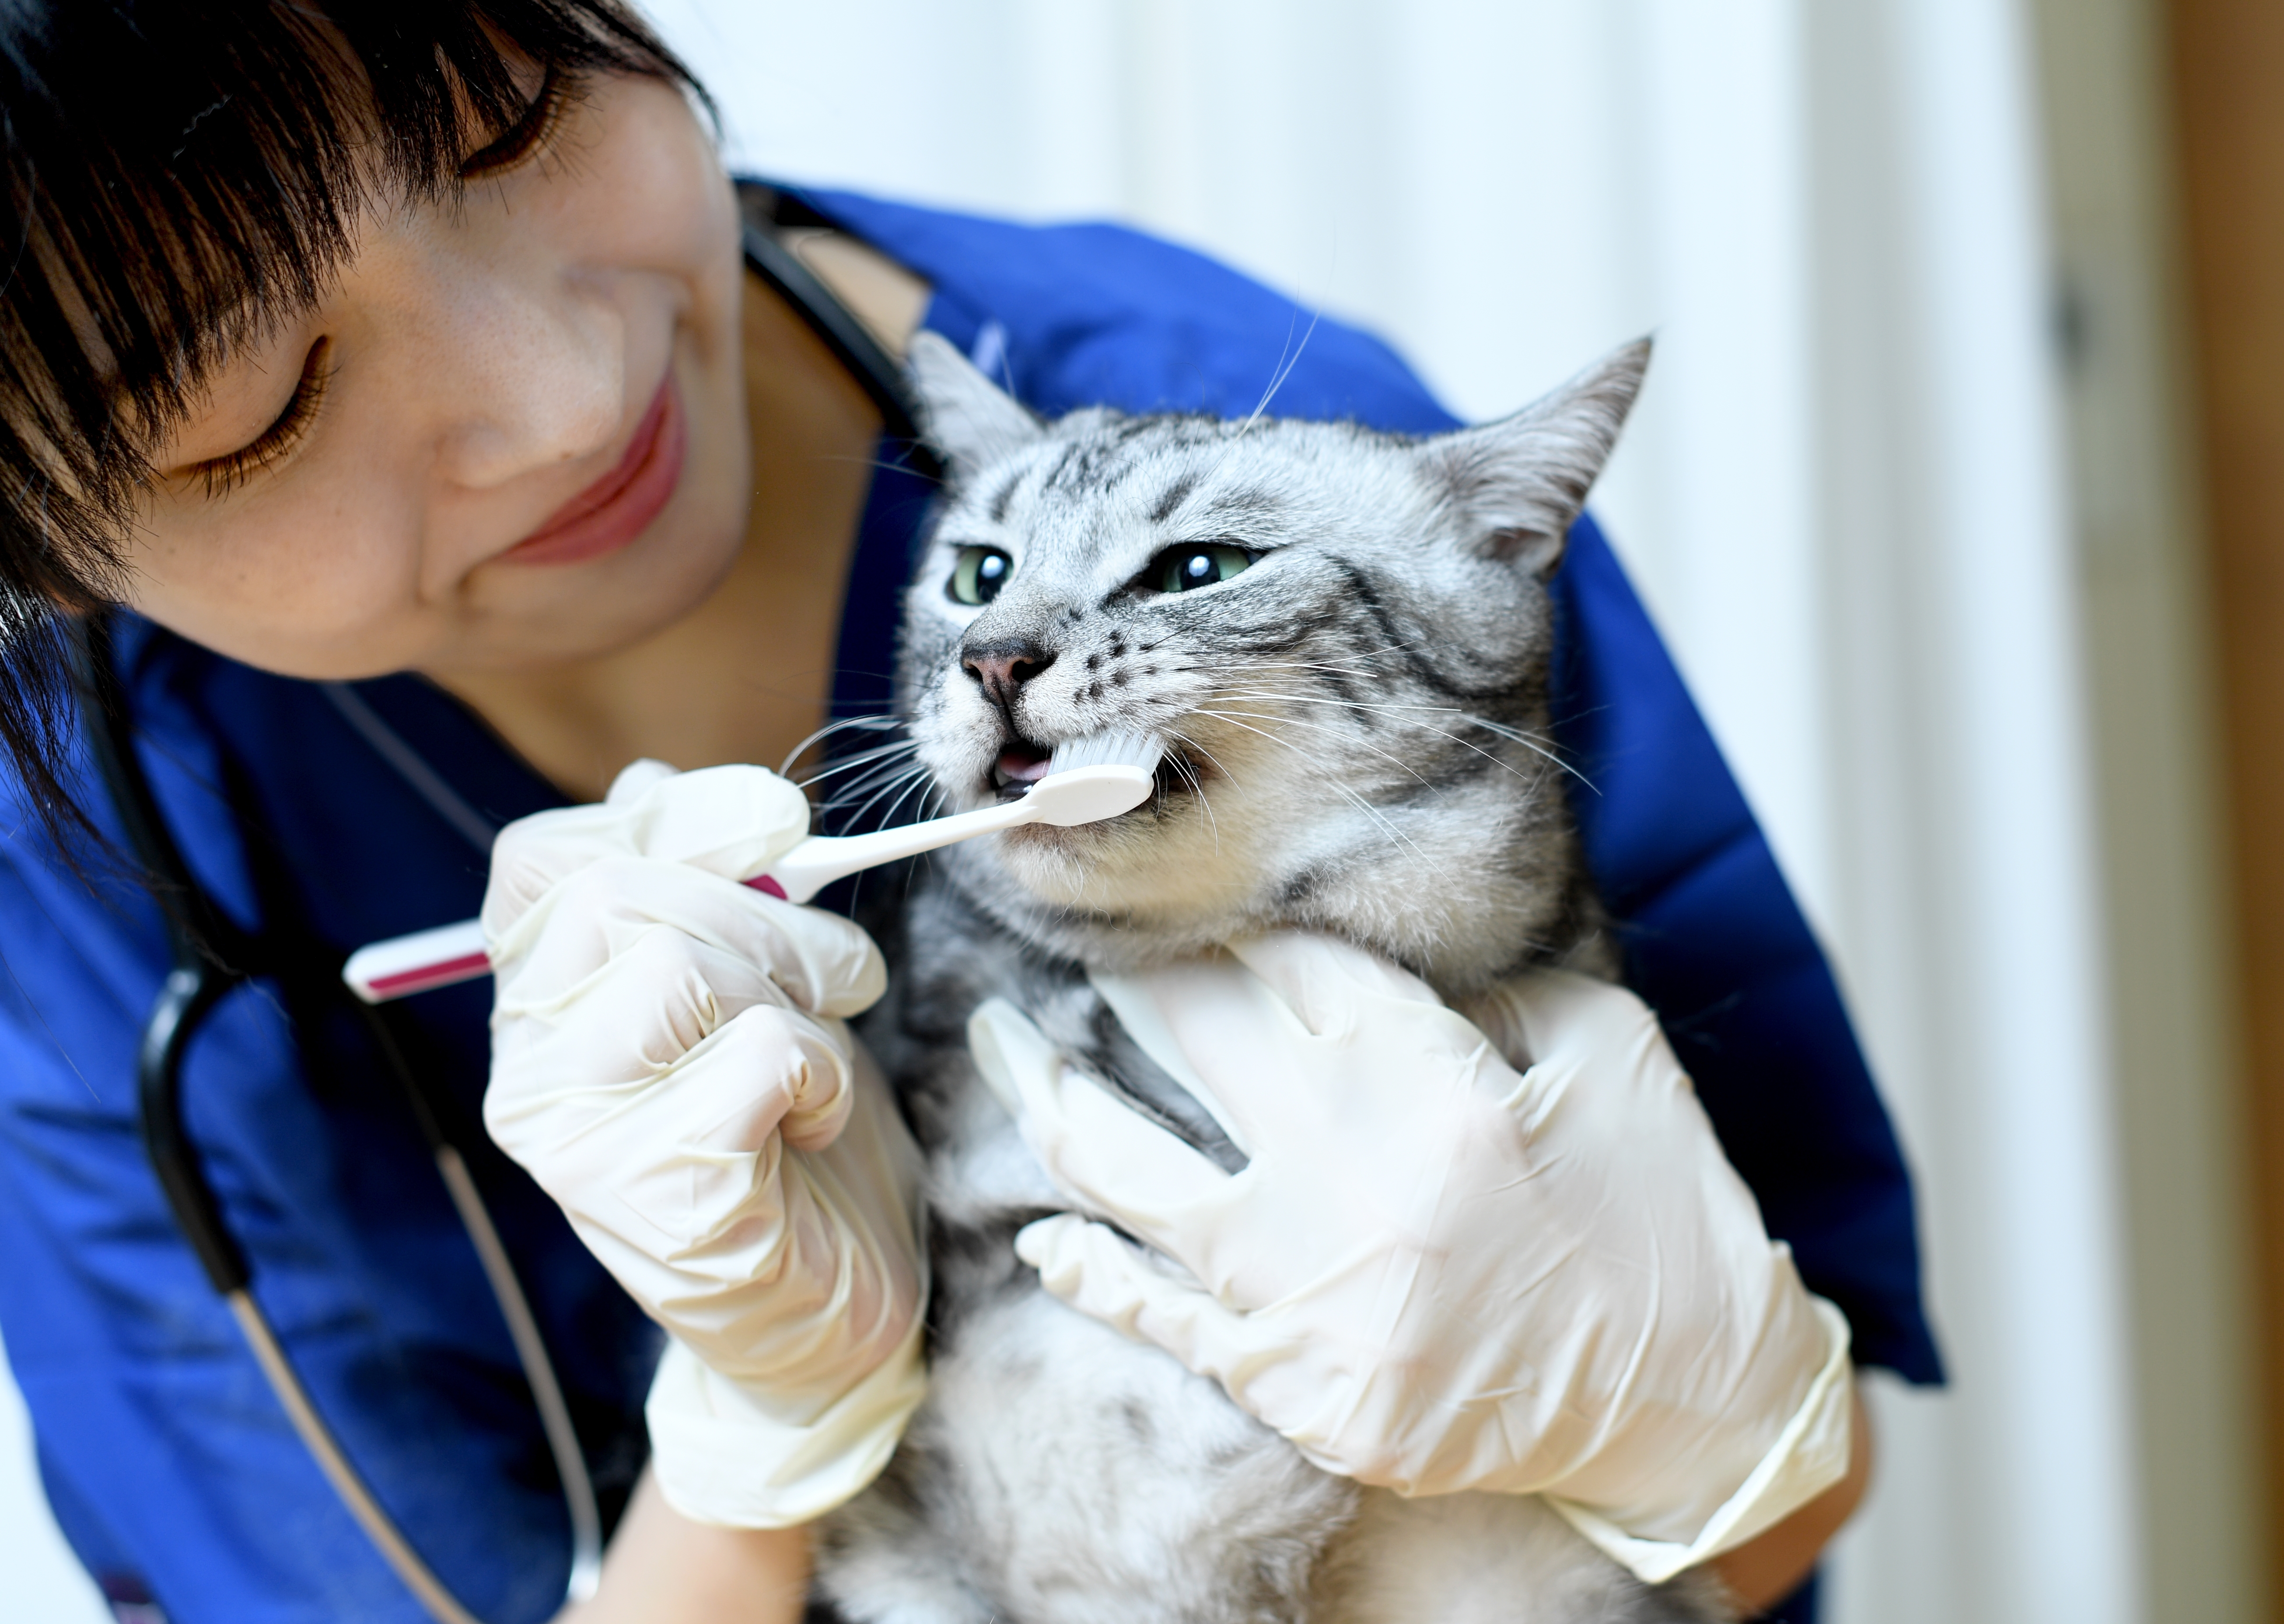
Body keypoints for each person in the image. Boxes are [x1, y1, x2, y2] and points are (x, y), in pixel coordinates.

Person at [0, 4, 1941, 1621]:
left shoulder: (1281, 471)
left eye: (509, 124)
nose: (568, 395)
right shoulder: (87, 878)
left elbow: (1789, 1490)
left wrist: (1685, 1425)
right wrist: (761, 1436)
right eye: (259, 398)